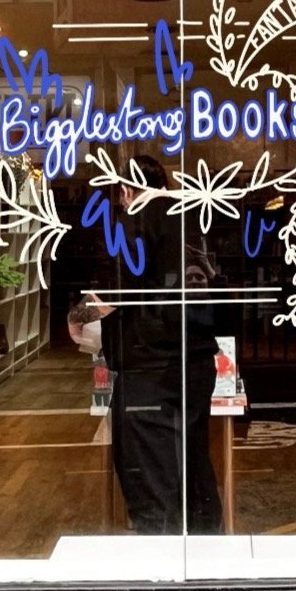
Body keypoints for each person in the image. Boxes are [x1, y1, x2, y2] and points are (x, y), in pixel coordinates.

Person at [71, 153, 223, 535]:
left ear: (125, 190)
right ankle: (207, 552)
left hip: (151, 366)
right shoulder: (189, 217)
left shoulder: (139, 216)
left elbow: (116, 287)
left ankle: (164, 566)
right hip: (196, 360)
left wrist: (77, 316)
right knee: (191, 463)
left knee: (152, 474)